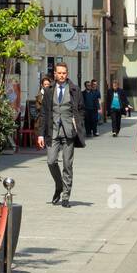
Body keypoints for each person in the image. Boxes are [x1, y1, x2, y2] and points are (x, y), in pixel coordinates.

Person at [37, 62, 85, 208]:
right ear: (55, 75)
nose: (62, 75)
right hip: (53, 131)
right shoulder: (49, 90)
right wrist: (40, 134)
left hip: (69, 131)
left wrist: (78, 124)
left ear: (67, 74)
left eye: (64, 73)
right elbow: (44, 113)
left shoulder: (75, 90)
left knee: (67, 164)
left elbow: (82, 110)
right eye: (59, 73)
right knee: (51, 161)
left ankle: (65, 196)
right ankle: (59, 185)